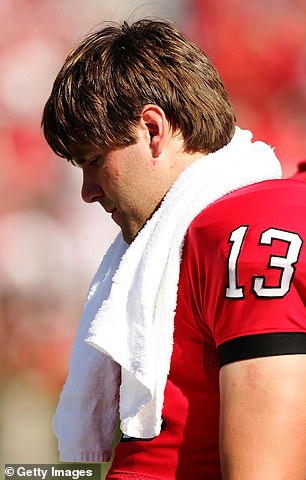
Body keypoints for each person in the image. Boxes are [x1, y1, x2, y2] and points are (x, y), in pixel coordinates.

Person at [42, 19, 306, 480]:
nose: (88, 191)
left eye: (93, 160)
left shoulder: (247, 226)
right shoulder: (195, 228)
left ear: (152, 128)